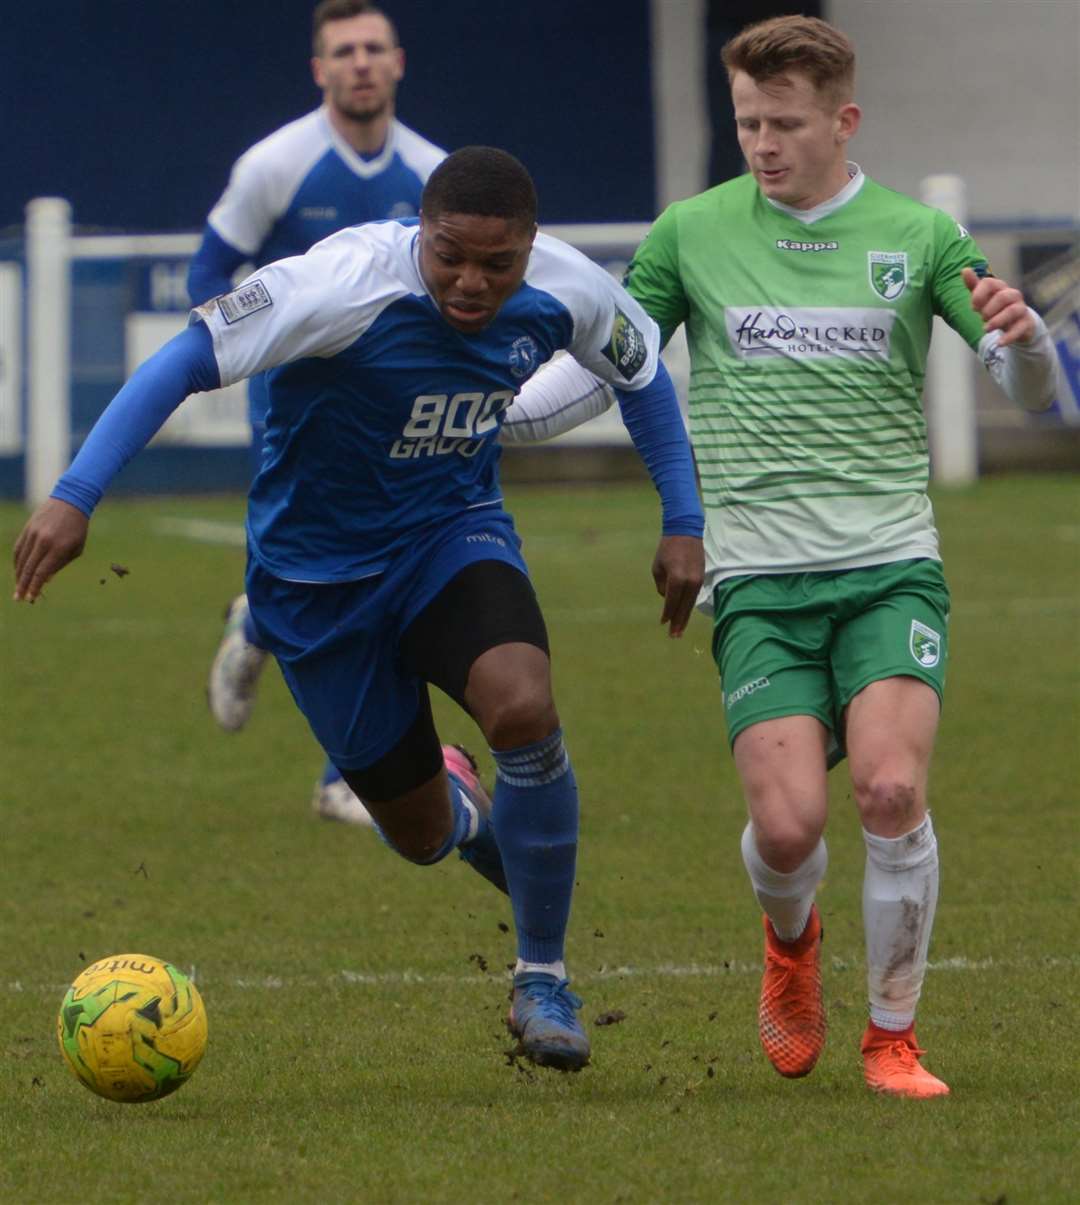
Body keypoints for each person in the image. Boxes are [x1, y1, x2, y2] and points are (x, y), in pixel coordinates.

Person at [13, 146, 705, 1072]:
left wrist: (682, 520)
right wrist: (74, 493)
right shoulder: (336, 284)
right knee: (420, 836)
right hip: (313, 586)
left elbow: (641, 371)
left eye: (496, 264)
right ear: (420, 229)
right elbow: (184, 358)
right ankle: (460, 806)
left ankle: (542, 979)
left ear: (530, 247)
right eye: (449, 254)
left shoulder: (568, 286)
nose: (471, 281)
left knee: (523, 703)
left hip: (450, 536)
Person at [507, 15, 1060, 1096]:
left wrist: (1030, 340)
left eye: (786, 123)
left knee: (893, 790)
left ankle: (892, 1033)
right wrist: (490, 415)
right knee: (789, 822)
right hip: (757, 577)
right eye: (747, 122)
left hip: (890, 562)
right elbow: (606, 366)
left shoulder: (920, 235)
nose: (762, 143)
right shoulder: (692, 231)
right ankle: (790, 942)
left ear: (844, 120)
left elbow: (1025, 391)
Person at [189, 0, 446, 828]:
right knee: (320, 565)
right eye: (345, 50)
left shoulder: (434, 172)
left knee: (387, 569)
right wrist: (264, 348)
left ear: (399, 61)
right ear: (320, 69)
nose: (362, 62)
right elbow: (210, 274)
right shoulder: (275, 165)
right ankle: (258, 619)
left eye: (375, 47)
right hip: (296, 407)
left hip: (397, 405)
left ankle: (346, 776)